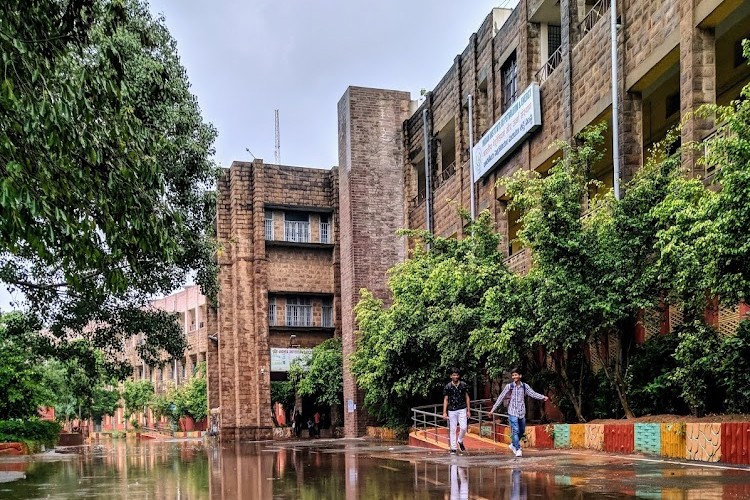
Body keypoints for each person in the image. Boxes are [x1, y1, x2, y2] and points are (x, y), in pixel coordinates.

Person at [489, 367, 548, 457]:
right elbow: (501, 397)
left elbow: (533, 393)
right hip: (512, 412)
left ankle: (513, 444)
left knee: (522, 431)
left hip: (521, 412)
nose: (514, 377)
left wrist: (542, 397)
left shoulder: (525, 386)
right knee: (515, 430)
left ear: (520, 376)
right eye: (513, 375)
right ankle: (518, 449)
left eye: (516, 375)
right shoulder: (509, 387)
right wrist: (493, 410)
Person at [442, 367, 471, 455]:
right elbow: (446, 399)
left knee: (463, 427)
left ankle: (460, 440)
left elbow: (467, 397)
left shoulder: (463, 385)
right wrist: (444, 412)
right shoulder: (448, 386)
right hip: (452, 409)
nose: (456, 376)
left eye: (457, 375)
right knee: (453, 429)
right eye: (454, 375)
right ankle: (453, 448)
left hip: (462, 408)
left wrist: (468, 410)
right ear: (451, 376)